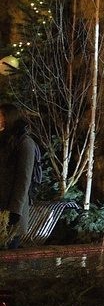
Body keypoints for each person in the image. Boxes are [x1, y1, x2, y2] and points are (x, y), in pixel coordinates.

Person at [0, 102, 41, 248]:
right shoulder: (5, 141)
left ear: (8, 118)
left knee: (9, 259)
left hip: (10, 214)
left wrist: (15, 212)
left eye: (0, 116)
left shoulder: (25, 143)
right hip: (2, 208)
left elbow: (23, 179)